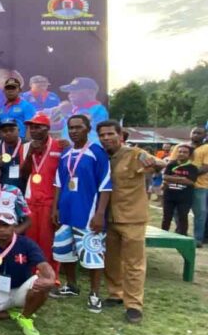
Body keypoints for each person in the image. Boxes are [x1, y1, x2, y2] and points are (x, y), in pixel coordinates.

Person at [98, 120, 164, 323]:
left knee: (134, 263)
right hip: (109, 218)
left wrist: (154, 163)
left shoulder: (135, 154)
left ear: (120, 135)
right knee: (111, 261)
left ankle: (134, 304)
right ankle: (115, 294)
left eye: (110, 134)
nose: (106, 138)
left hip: (132, 218)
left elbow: (159, 164)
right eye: (102, 135)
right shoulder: (102, 157)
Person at [51, 115, 112, 313]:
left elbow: (106, 185)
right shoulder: (66, 153)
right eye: (71, 128)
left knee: (93, 255)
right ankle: (71, 286)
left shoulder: (97, 152)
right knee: (65, 252)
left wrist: (100, 213)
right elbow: (58, 183)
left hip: (88, 214)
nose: (74, 131)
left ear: (88, 129)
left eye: (78, 127)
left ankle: (94, 294)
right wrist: (55, 208)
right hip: (66, 212)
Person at [20, 114, 64, 279]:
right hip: (31, 200)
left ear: (47, 128)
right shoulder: (25, 147)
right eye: (31, 127)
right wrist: (30, 154)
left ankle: (51, 278)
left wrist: (58, 206)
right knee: (31, 241)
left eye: (38, 127)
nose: (34, 130)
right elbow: (24, 174)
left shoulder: (59, 146)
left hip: (50, 200)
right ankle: (32, 276)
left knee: (48, 241)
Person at [49, 77, 109, 143]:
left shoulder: (98, 110)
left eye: (75, 91)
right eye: (70, 92)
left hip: (86, 148)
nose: (70, 95)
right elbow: (59, 125)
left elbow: (90, 135)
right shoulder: (76, 109)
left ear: (90, 93)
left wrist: (68, 113)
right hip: (70, 148)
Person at [162, 144, 198, 235]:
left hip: (184, 197)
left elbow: (190, 182)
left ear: (189, 155)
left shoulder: (193, 167)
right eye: (180, 151)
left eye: (185, 152)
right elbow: (165, 177)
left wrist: (172, 178)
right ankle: (163, 235)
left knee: (183, 217)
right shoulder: (171, 164)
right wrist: (182, 179)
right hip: (169, 195)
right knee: (166, 217)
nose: (181, 153)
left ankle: (183, 236)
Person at [186, 127, 208, 247]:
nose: (195, 135)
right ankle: (181, 234)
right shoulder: (182, 147)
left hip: (200, 186)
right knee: (177, 211)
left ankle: (198, 239)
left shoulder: (206, 148)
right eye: (194, 132)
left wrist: (187, 174)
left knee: (200, 213)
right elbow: (172, 163)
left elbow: (205, 167)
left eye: (199, 133)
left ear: (205, 135)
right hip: (181, 184)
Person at [0, 119, 24, 189]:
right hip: (4, 190)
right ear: (0, 134)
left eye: (11, 130)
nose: (8, 133)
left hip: (25, 187)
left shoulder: (27, 146)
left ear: (18, 130)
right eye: (4, 131)